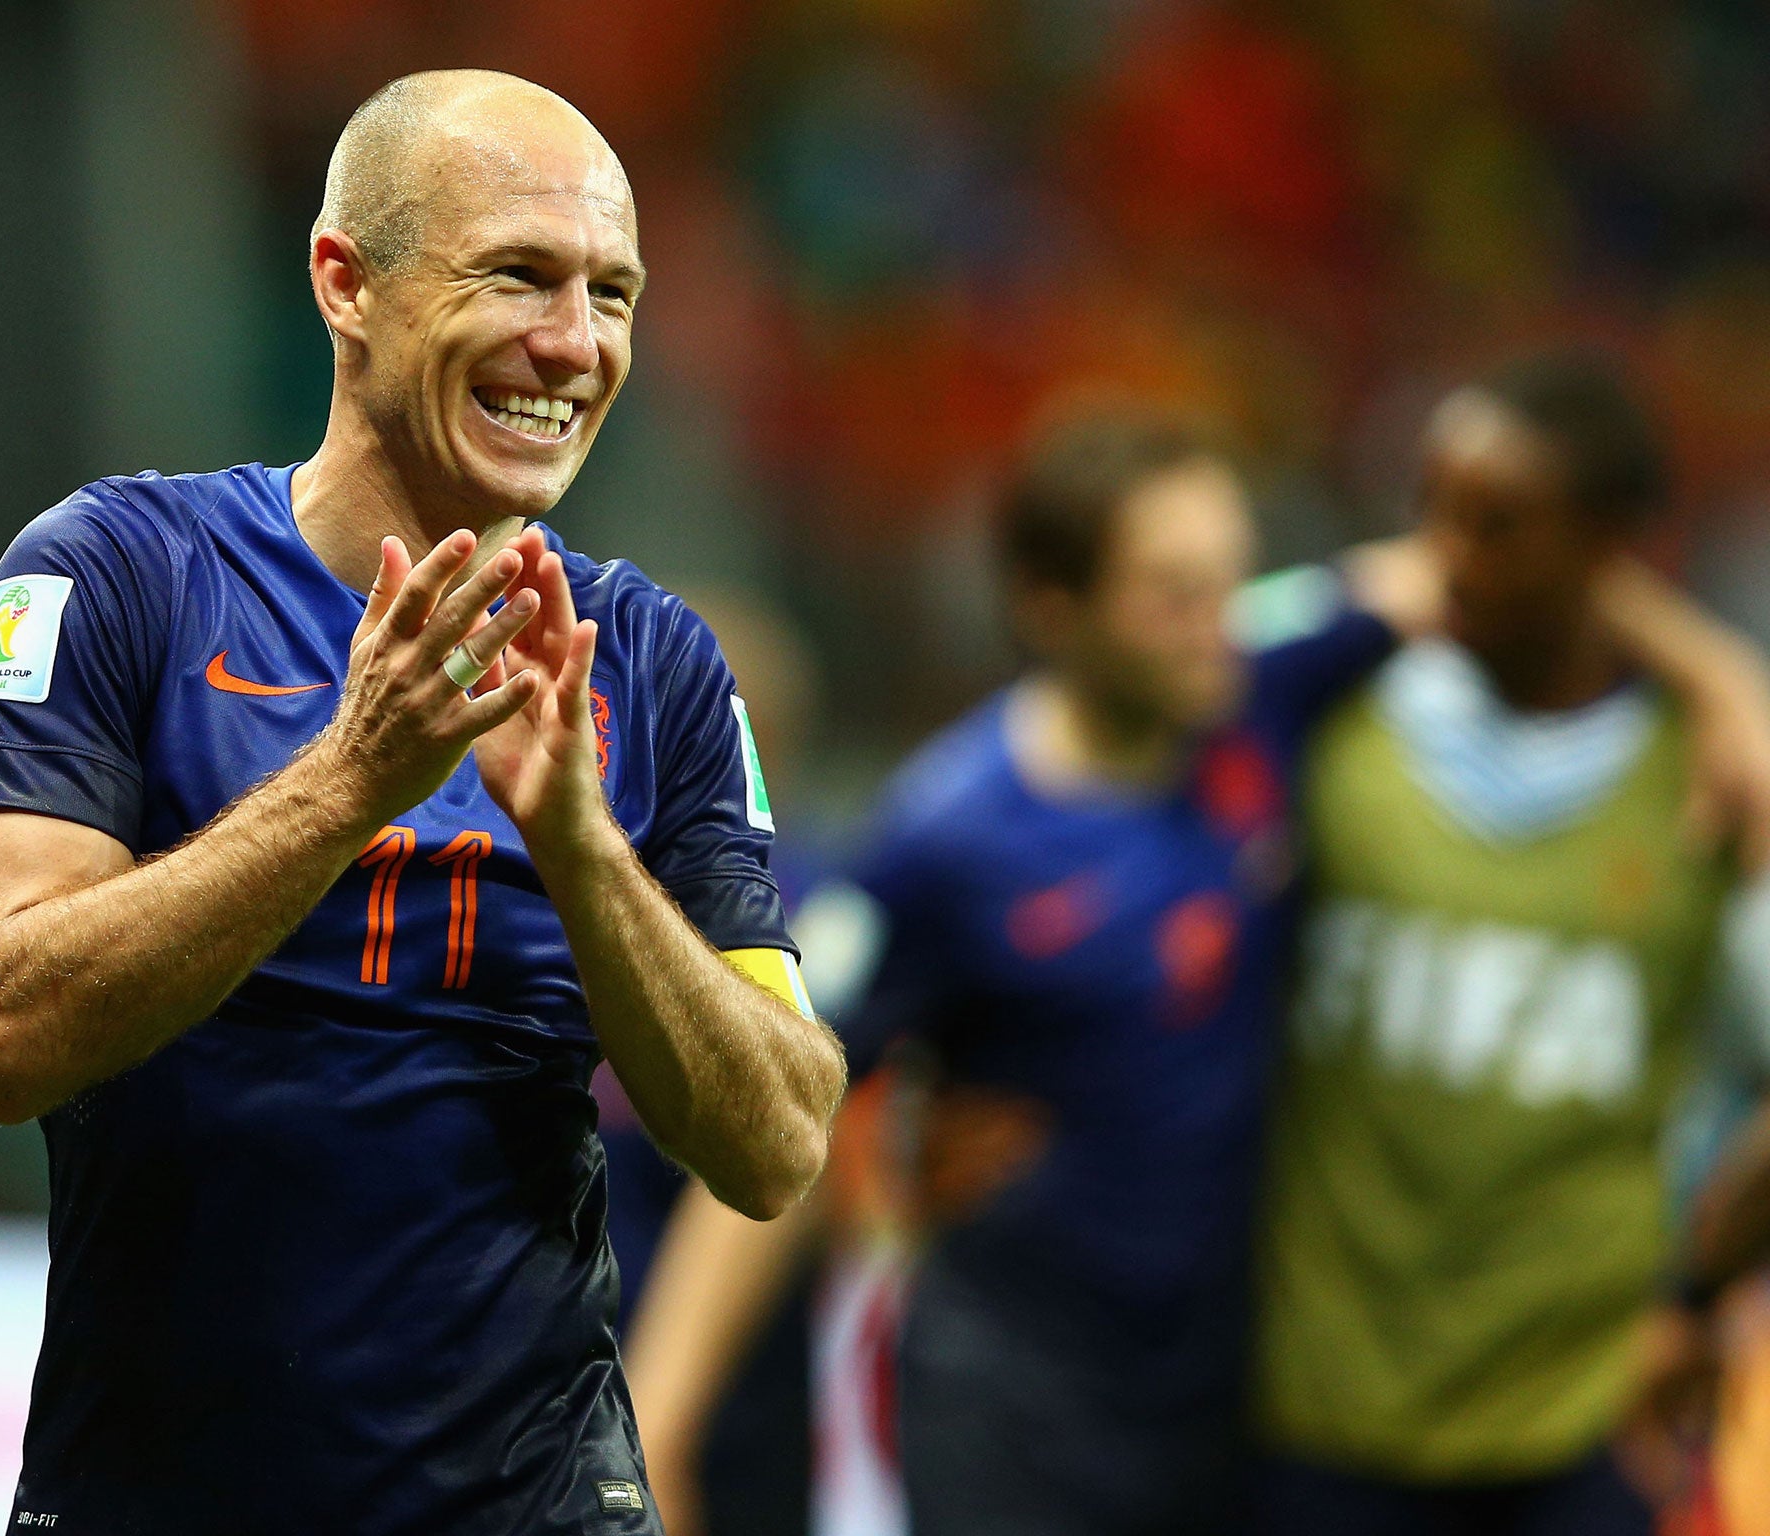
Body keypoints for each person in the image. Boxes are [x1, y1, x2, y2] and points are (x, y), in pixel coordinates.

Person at [0, 70, 844, 1536]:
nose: (574, 344)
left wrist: (583, 852)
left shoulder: (656, 661)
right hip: (157, 1495)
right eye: (519, 276)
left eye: (614, 295)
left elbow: (781, 1142)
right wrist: (356, 778)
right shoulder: (120, 575)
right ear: (346, 283)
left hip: (533, 1502)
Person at [625, 385, 1770, 1536]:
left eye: (1228, 578)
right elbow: (777, 1116)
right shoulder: (948, 837)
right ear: (1050, 604)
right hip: (1012, 1419)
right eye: (1173, 594)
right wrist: (663, 1418)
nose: (1217, 619)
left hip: (1220, 1417)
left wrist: (1719, 678)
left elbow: (1490, 564)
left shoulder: (1257, 687)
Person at [1252, 356, 1770, 1536]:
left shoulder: (1706, 783)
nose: (1442, 556)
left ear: (1613, 543)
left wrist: (1691, 1304)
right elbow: (1187, 630)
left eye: (1495, 525)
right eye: (1427, 512)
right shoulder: (1337, 721)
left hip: (1574, 1427)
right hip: (1316, 1414)